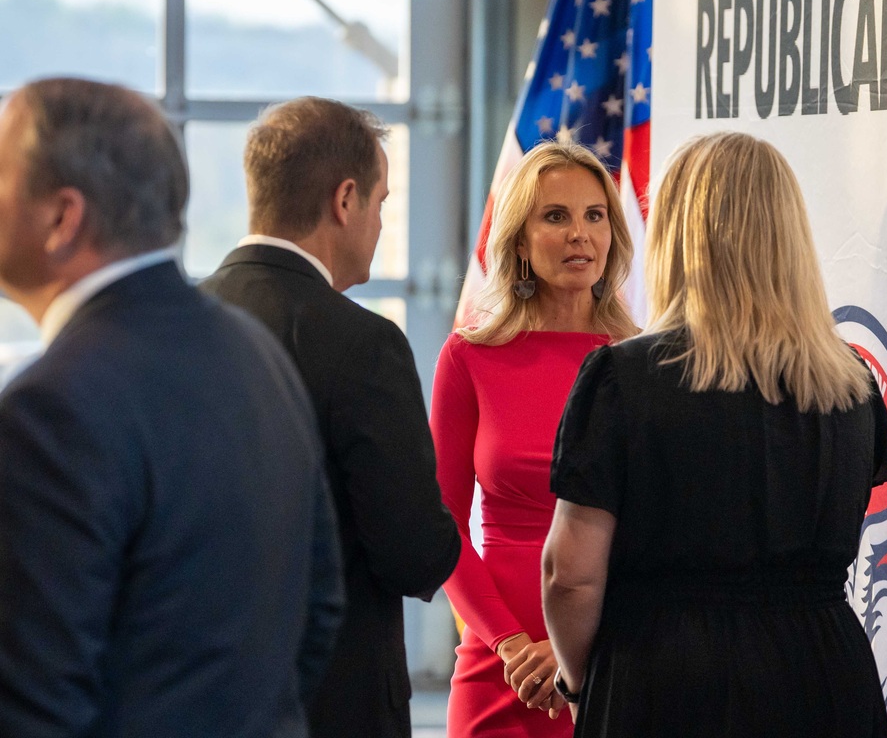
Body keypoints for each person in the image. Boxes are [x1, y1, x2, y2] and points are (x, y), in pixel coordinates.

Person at [0, 77, 343, 737]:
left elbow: (31, 701)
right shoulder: (255, 351)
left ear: (62, 218)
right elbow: (319, 604)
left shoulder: (49, 408)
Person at [542, 131, 887, 737]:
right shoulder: (854, 383)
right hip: (824, 677)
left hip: (664, 681)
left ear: (678, 235)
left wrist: (579, 686)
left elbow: (569, 575)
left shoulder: (623, 378)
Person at [200, 96, 461, 738]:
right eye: (381, 203)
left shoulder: (174, 325)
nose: (380, 223)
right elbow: (414, 554)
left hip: (197, 698)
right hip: (336, 702)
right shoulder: (364, 345)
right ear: (345, 200)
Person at [431, 141, 638, 737]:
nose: (580, 234)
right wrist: (513, 644)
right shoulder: (469, 357)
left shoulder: (644, 362)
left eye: (595, 215)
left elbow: (663, 531)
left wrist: (569, 646)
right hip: (501, 662)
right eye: (555, 216)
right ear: (520, 241)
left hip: (613, 656)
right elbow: (441, 524)